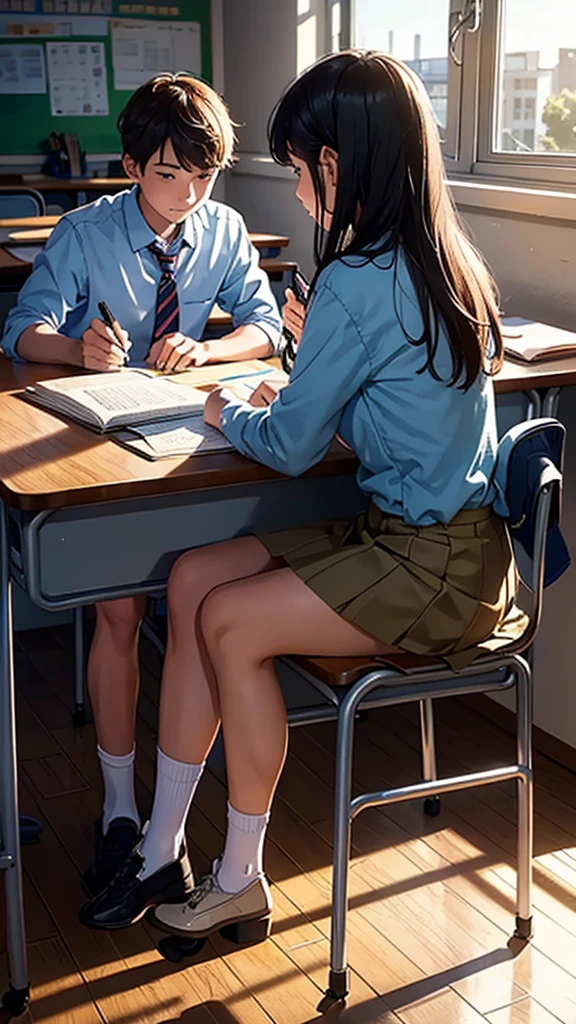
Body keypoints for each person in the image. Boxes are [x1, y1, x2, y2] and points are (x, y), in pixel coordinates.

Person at [78, 50, 525, 937]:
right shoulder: (439, 253)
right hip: (441, 540)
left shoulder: (360, 279)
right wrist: (310, 366)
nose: (293, 188)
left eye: (296, 167)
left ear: (337, 163)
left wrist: (227, 405)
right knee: (193, 578)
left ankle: (240, 875)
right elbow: (395, 421)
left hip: (431, 565)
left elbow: (286, 450)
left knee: (226, 621)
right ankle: (163, 849)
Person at [1, 72, 282, 900]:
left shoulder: (224, 229)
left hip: (184, 444)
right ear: (131, 166)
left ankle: (174, 818)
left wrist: (211, 351)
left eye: (206, 173)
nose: (189, 192)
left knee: (202, 597)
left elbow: (264, 323)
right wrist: (77, 349)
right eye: (170, 173)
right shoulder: (85, 232)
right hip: (105, 449)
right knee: (120, 607)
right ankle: (122, 811)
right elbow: (24, 331)